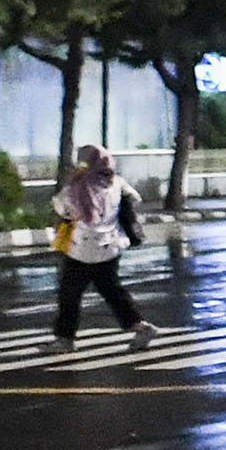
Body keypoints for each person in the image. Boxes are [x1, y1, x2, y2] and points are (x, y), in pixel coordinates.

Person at [50, 144, 156, 345]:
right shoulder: (116, 182)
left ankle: (64, 339)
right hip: (109, 248)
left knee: (69, 295)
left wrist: (76, 177)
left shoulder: (78, 185)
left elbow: (61, 207)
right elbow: (135, 198)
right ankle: (141, 327)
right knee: (113, 292)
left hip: (80, 250)